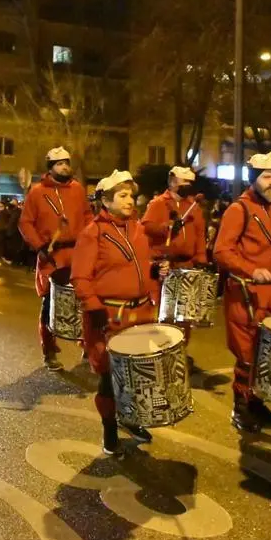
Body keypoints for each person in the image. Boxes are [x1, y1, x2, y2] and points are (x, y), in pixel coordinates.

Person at [71, 170, 169, 456]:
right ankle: (109, 426)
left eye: (131, 195)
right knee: (109, 378)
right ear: (106, 201)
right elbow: (80, 277)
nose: (129, 200)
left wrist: (153, 271)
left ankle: (131, 418)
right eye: (122, 196)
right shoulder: (93, 233)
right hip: (110, 316)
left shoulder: (137, 228)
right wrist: (93, 308)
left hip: (140, 313)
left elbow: (138, 266)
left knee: (136, 376)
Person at [213, 153, 271, 433]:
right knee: (247, 355)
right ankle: (241, 407)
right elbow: (222, 251)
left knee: (267, 353)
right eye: (267, 176)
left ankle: (256, 401)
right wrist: (251, 270)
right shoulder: (239, 210)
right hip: (245, 295)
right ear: (253, 179)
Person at [18, 147, 94, 371]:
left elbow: (88, 216)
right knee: (50, 305)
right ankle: (49, 350)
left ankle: (87, 346)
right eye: (59, 163)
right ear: (50, 167)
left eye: (67, 163)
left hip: (78, 255)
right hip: (51, 256)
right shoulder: (37, 192)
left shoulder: (78, 189)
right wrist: (39, 246)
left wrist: (90, 240)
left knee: (84, 303)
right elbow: (25, 223)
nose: (65, 167)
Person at [141, 166, 208, 348]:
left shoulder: (194, 207)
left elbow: (200, 235)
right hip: (164, 265)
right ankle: (161, 349)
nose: (188, 185)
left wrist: (201, 259)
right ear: (172, 182)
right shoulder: (158, 203)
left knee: (184, 313)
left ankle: (181, 350)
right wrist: (166, 227)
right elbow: (145, 226)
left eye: (190, 183)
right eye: (184, 182)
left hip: (187, 265)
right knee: (163, 311)